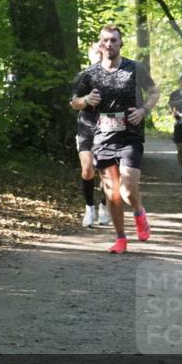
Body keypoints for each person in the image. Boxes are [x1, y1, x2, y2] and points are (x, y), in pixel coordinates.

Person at [71, 24, 160, 254]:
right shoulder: (90, 74)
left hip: (130, 135)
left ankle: (139, 212)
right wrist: (86, 100)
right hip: (103, 138)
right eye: (105, 40)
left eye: (113, 40)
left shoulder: (134, 68)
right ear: (100, 45)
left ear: (121, 43)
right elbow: (74, 102)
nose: (109, 44)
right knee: (111, 192)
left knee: (128, 189)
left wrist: (143, 111)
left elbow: (154, 92)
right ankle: (121, 238)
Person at [71, 43, 109, 227]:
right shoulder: (83, 76)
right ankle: (89, 208)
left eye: (102, 52)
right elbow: (73, 102)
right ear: (90, 55)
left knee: (106, 172)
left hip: (110, 128)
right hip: (87, 126)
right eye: (96, 52)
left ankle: (104, 206)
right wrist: (86, 100)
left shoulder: (115, 76)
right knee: (87, 169)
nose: (99, 55)